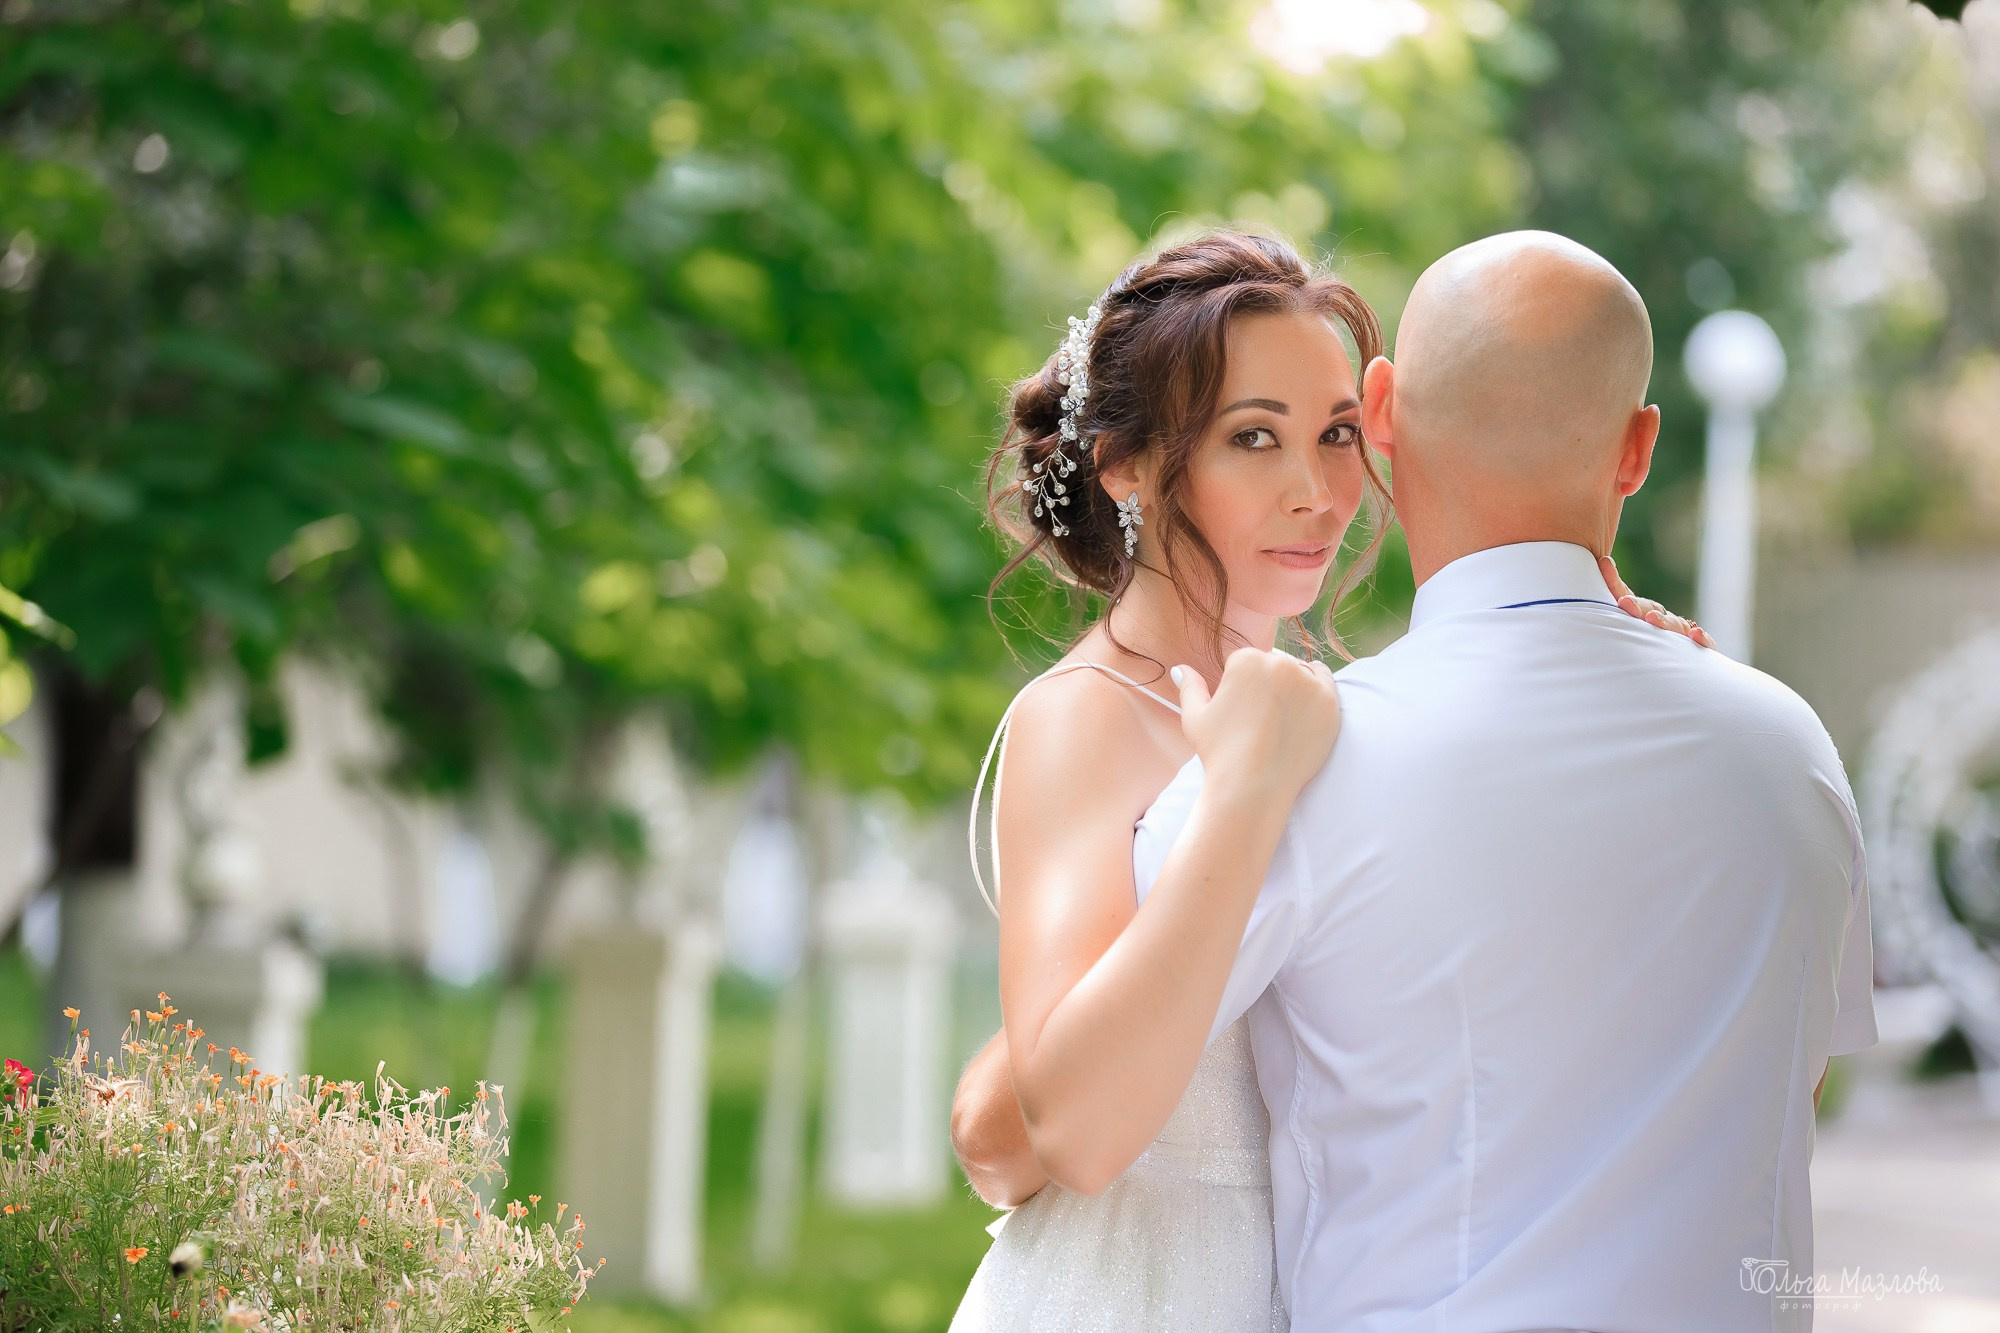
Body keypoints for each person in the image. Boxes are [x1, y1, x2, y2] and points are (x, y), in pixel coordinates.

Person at [947, 229, 1706, 1332]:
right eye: (1253, 438)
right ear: (1125, 463)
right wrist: (1242, 798)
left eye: (1338, 433)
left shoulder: (1332, 705)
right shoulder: (1087, 717)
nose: (1315, 490)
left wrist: (1590, 608)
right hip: (1131, 1291)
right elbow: (1063, 1128)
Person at [1122, 231, 1878, 1329]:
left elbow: (1099, 1092)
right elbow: (1791, 1082)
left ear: (1376, 415)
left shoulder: (1279, 772)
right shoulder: (1792, 751)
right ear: (1635, 449)